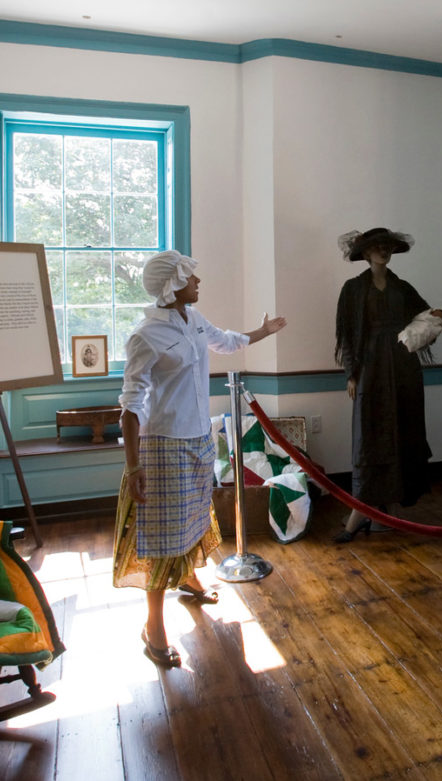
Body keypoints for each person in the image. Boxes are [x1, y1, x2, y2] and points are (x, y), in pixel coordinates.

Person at [115, 249, 286, 668]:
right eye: (191, 278)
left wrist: (262, 332)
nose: (198, 283)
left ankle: (188, 577)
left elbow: (225, 342)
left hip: (197, 436)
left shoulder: (193, 320)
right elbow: (130, 406)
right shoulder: (145, 336)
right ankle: (153, 626)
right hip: (164, 445)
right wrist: (134, 465)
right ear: (172, 285)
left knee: (193, 515)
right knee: (160, 536)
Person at [333, 227, 442, 542]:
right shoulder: (354, 289)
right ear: (366, 253)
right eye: (376, 247)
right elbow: (346, 335)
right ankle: (363, 511)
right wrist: (351, 374)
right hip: (370, 368)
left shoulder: (403, 288)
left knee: (402, 432)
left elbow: (426, 318)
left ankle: (392, 508)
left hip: (403, 369)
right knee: (370, 435)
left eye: (387, 246)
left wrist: (438, 318)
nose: (382, 251)